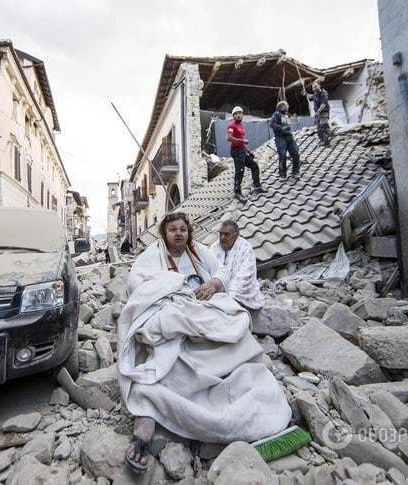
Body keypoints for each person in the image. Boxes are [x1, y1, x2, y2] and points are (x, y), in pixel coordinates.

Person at [118, 212, 291, 474]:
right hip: (174, 305)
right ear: (164, 233)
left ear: (189, 233)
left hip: (205, 305)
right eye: (173, 229)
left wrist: (212, 284)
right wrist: (170, 287)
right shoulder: (152, 255)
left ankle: (237, 390)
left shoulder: (198, 253)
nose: (178, 233)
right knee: (165, 334)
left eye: (183, 230)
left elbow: (222, 271)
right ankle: (152, 413)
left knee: (236, 320)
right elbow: (136, 283)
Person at [209, 220, 265, 310]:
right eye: (221, 234)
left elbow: (244, 276)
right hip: (218, 291)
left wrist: (229, 296)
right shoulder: (214, 247)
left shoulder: (245, 249)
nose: (222, 237)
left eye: (226, 234)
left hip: (239, 293)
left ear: (235, 235)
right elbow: (209, 270)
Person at [226, 106, 265, 202]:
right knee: (240, 171)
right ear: (233, 116)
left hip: (243, 151)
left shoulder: (241, 126)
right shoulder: (232, 126)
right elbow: (229, 138)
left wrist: (248, 151)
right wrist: (242, 140)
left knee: (254, 166)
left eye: (240, 113)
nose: (239, 115)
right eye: (236, 114)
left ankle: (257, 187)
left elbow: (242, 142)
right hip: (236, 151)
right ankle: (237, 193)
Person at [270, 100, 300, 179]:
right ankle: (282, 175)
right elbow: (272, 124)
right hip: (280, 138)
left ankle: (295, 172)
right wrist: (282, 129)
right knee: (282, 155)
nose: (288, 106)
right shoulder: (276, 114)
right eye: (287, 105)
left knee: (295, 153)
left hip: (289, 137)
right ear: (282, 106)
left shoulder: (287, 115)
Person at [310, 81, 331, 146]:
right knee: (319, 129)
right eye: (313, 87)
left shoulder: (323, 93)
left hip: (323, 113)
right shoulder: (315, 94)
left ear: (319, 86)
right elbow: (311, 97)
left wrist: (318, 111)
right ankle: (323, 140)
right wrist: (305, 94)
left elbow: (323, 104)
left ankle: (326, 141)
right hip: (318, 115)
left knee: (323, 125)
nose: (314, 88)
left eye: (316, 86)